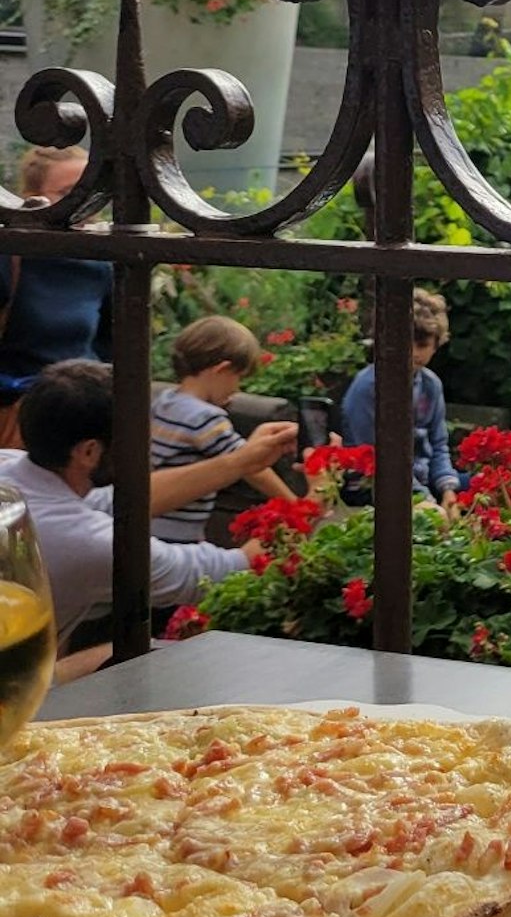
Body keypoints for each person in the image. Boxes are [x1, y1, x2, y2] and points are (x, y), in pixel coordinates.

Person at [0, 360, 290, 644]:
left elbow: (106, 502)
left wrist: (240, 462)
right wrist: (312, 503)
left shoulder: (10, 465)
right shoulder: (90, 543)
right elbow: (215, 574)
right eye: (138, 438)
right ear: (89, 452)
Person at [0, 146, 112, 449]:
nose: (84, 205)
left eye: (94, 193)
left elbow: (111, 346)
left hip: (86, 419)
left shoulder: (103, 261)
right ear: (31, 197)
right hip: (25, 423)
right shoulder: (10, 258)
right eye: (68, 192)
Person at [151, 316, 297, 545]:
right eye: (238, 378)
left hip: (151, 523)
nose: (237, 389)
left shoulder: (165, 401)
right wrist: (293, 505)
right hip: (178, 534)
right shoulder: (205, 418)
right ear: (222, 369)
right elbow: (250, 465)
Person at [341, 289, 459, 509]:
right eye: (406, 343)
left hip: (421, 481)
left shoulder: (431, 385)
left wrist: (448, 489)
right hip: (372, 484)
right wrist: (427, 501)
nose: (413, 353)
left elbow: (439, 444)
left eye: (422, 345)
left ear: (436, 344)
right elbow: (372, 458)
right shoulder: (368, 387)